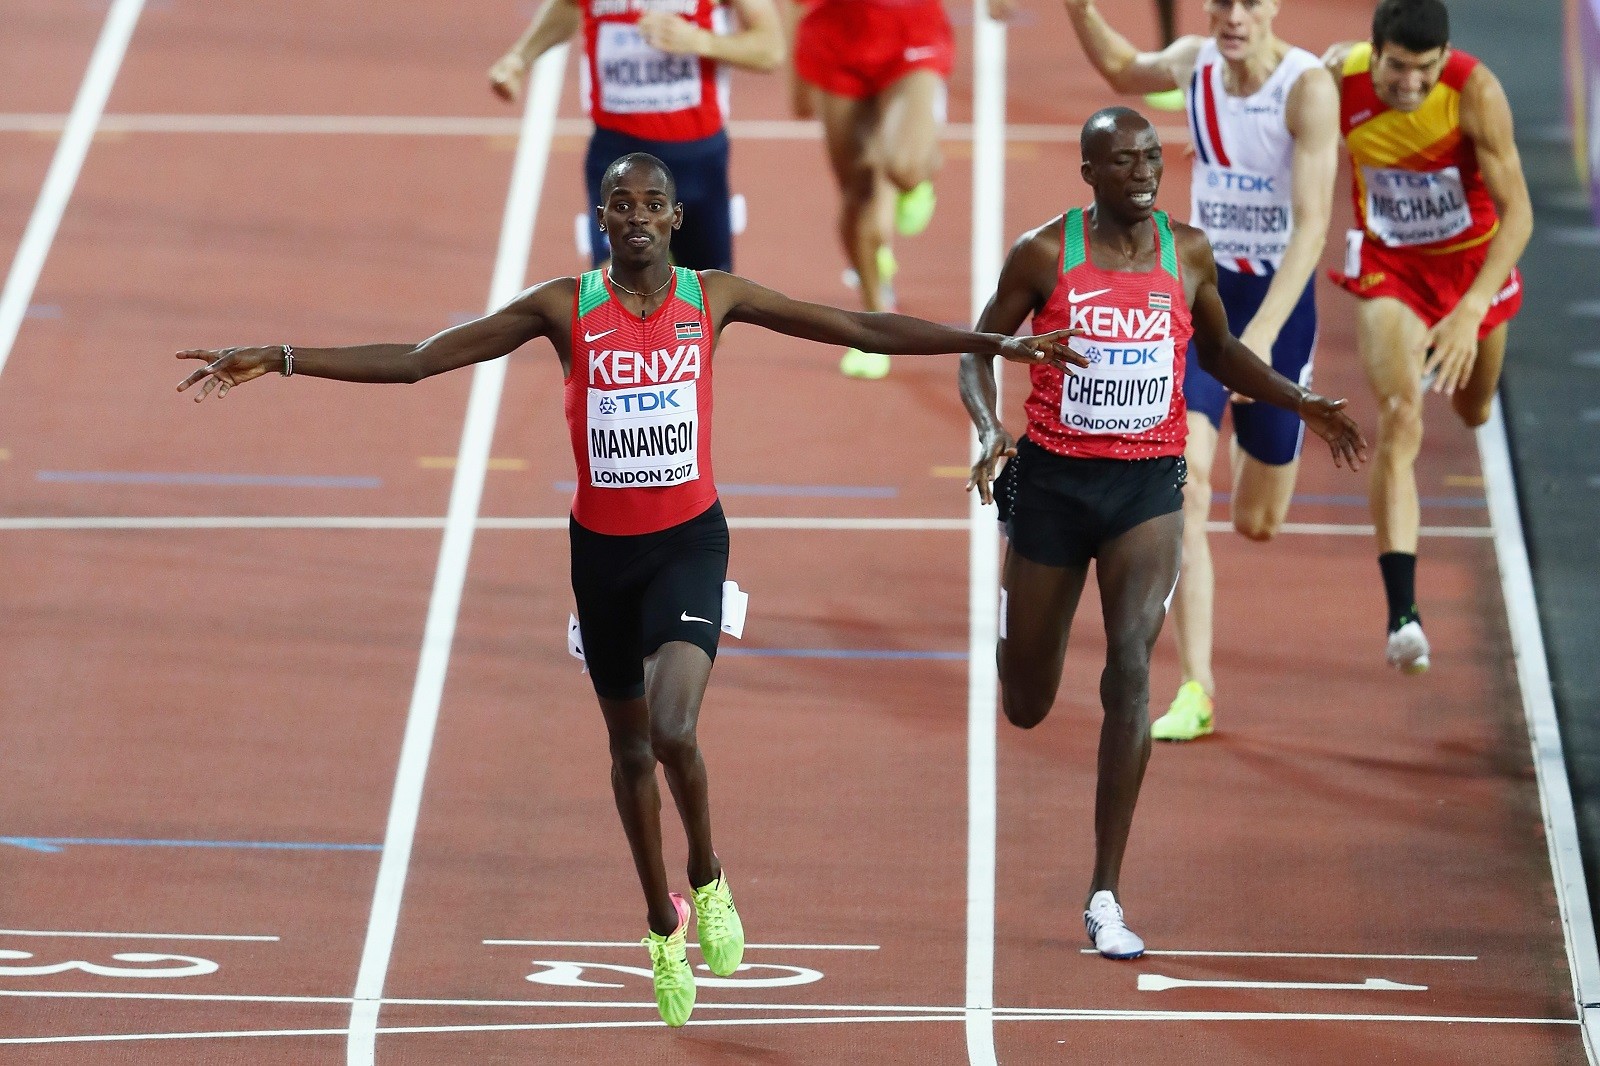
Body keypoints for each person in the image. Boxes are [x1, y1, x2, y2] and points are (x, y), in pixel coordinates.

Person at [176, 153, 1080, 1026]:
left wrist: (996, 341)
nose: (638, 216)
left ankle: (709, 877)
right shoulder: (562, 308)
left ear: (676, 218)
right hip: (602, 559)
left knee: (674, 727)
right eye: (622, 203)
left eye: (653, 203)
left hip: (689, 543)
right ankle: (659, 926)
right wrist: (282, 356)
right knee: (630, 752)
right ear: (600, 217)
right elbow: (419, 360)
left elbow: (854, 326)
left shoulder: (712, 297)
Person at [959, 108, 1365, 958]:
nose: (1143, 172)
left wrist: (1300, 400)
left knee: (1133, 667)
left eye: (1151, 157)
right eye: (1123, 161)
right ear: (1089, 171)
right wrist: (991, 427)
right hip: (1055, 486)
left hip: (1147, 489)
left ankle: (1105, 892)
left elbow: (1218, 353)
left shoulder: (1189, 253)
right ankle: (1014, 632)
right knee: (1025, 703)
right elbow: (977, 349)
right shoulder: (1045, 253)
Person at [1062, 0, 1340, 740]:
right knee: (1186, 486)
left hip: (1276, 309)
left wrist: (1262, 340)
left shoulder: (1307, 88)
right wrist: (1078, 8)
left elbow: (1313, 225)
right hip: (1200, 300)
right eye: (1220, 3)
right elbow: (1123, 68)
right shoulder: (1195, 62)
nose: (1233, 17)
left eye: (1248, 3)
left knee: (1257, 521)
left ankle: (1265, 460)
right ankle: (1197, 687)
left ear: (1272, 6)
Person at [1322, 0, 1531, 673]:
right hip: (1391, 267)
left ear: (1443, 59)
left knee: (1474, 409)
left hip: (1471, 270)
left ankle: (1472, 368)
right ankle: (1404, 616)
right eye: (1396, 68)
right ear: (1373, 50)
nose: (1409, 84)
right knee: (1400, 412)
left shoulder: (1476, 91)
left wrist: (1471, 310)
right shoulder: (1338, 77)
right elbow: (1281, 132)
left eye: (1424, 69)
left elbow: (1519, 215)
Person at [785, 0, 1015, 379]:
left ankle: (916, 179)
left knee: (906, 168)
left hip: (911, 31)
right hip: (837, 39)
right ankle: (873, 322)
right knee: (857, 193)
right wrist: (796, 74)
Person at [487, 0, 784, 272]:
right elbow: (566, 6)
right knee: (613, 288)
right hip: (616, 157)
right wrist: (520, 58)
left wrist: (699, 41)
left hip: (697, 163)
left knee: (707, 295)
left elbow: (770, 49)